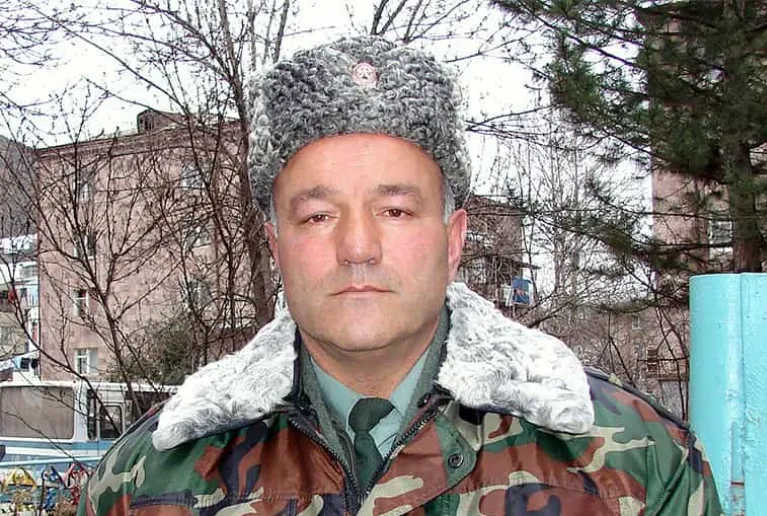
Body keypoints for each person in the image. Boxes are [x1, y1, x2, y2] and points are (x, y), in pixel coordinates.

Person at [78, 36, 722, 515]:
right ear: (276, 246)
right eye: (318, 215)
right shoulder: (145, 482)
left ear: (454, 238)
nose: (357, 247)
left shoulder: (633, 463)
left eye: (395, 210)